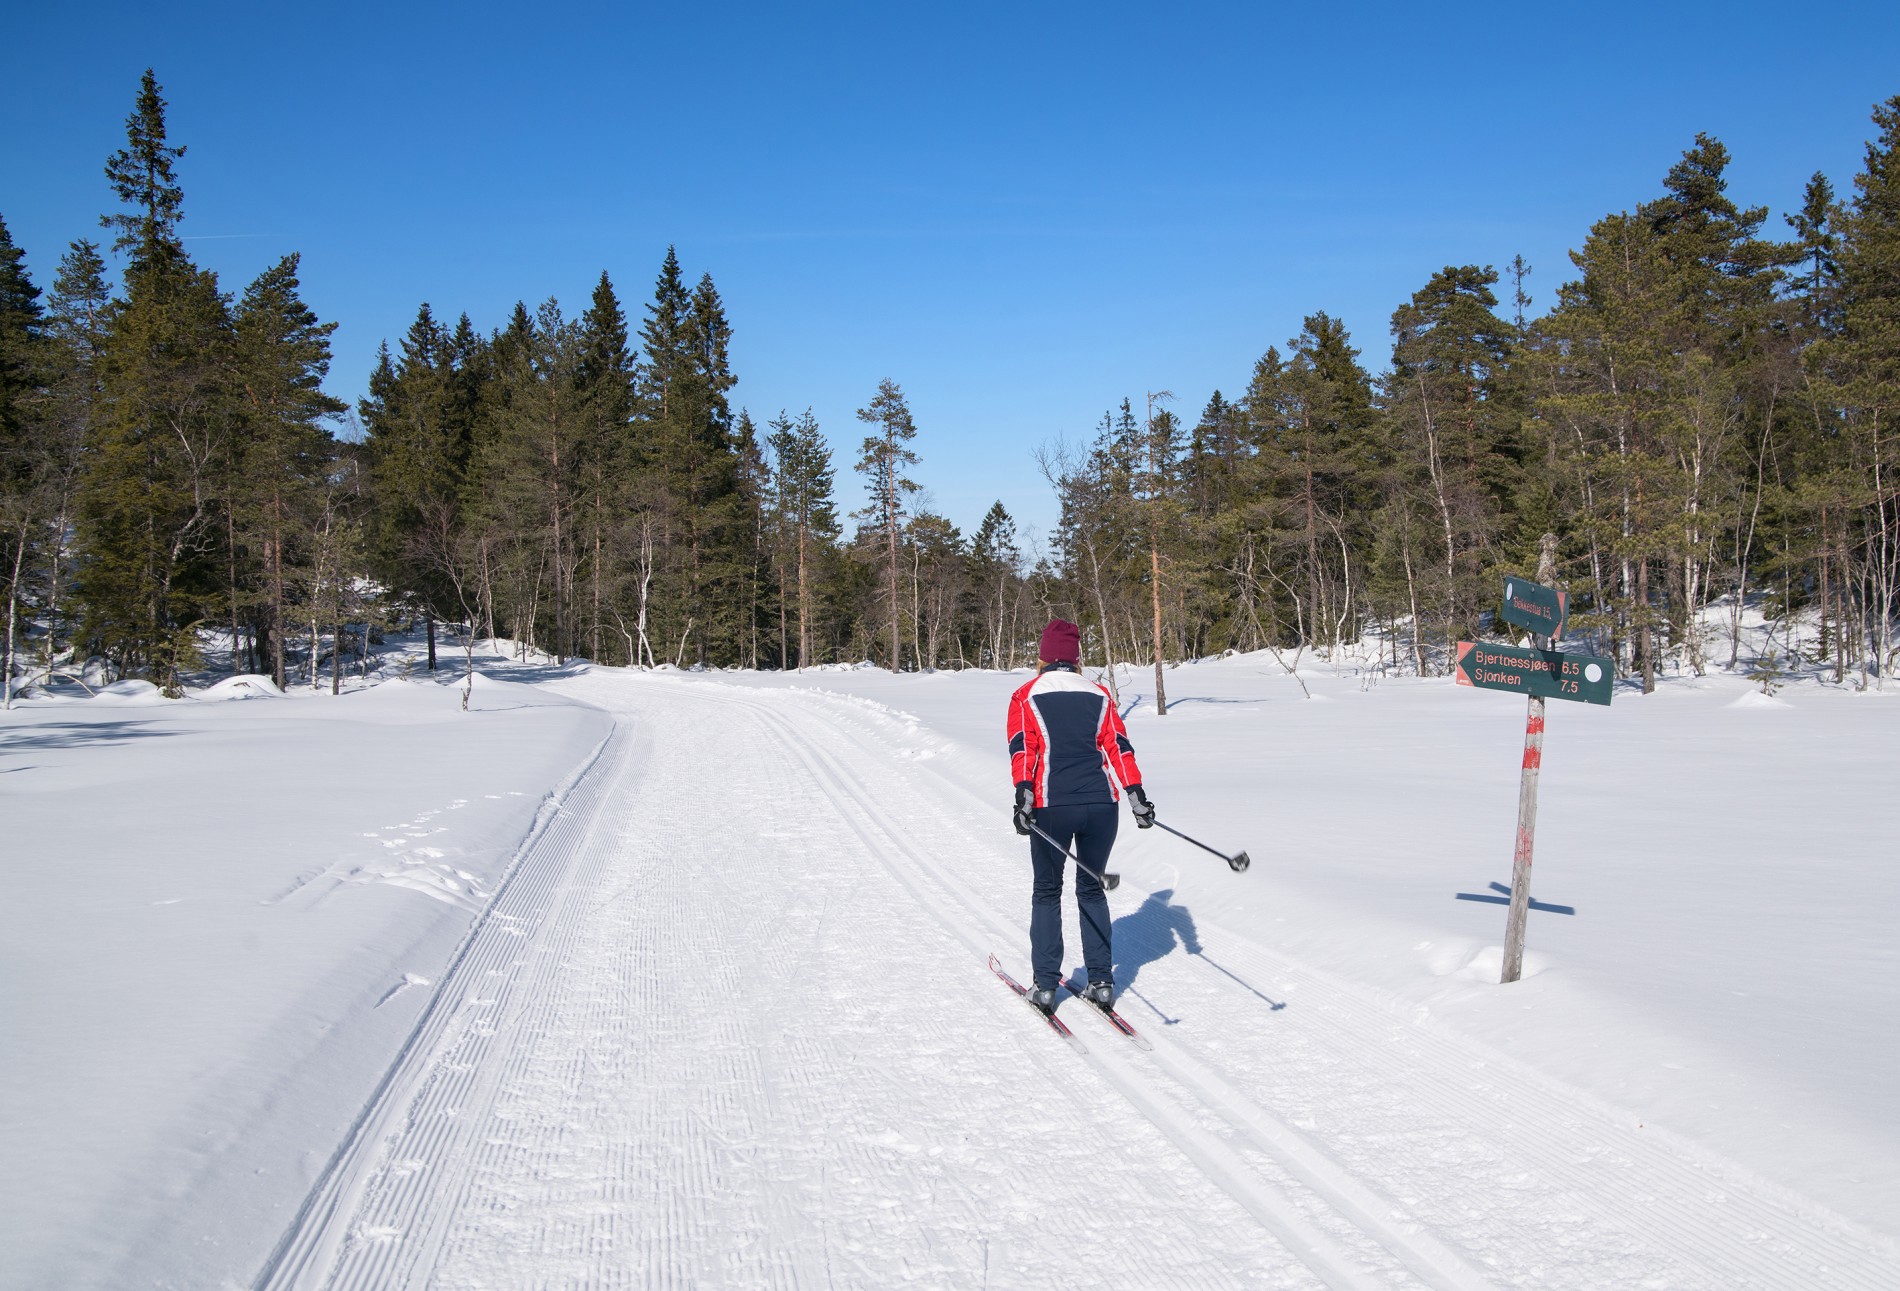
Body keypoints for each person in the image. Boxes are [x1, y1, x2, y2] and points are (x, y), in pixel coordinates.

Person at [1006, 618, 1155, 1014]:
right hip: (1102, 807)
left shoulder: (1025, 695)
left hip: (1052, 805)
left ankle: (1045, 986)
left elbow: (1023, 748)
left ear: (1042, 657)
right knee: (1091, 889)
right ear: (1075, 659)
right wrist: (1136, 795)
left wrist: (1023, 795)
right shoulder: (1099, 694)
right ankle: (1102, 983)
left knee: (1047, 890)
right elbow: (1118, 746)